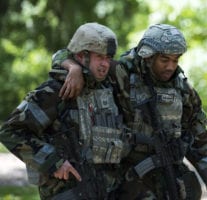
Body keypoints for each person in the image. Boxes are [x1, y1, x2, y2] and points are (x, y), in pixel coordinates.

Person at [52, 24, 207, 200]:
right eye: (164, 60)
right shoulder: (122, 73)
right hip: (127, 179)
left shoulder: (183, 90)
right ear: (148, 56)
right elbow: (68, 54)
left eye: (175, 60)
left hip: (168, 175)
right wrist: (73, 68)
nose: (170, 67)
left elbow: (200, 141)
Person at [0, 22, 130, 200]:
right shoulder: (56, 90)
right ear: (81, 56)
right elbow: (11, 131)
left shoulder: (108, 87)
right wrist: (53, 162)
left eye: (108, 57)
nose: (105, 64)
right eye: (99, 57)